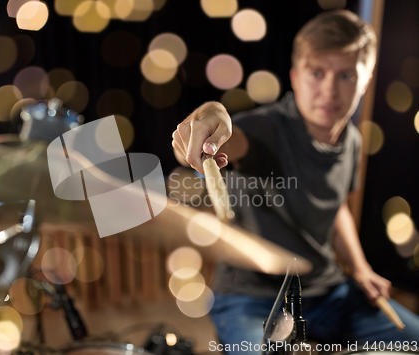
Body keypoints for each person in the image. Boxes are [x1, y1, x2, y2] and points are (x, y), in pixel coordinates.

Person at [171, 10, 419, 353]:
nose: (329, 90)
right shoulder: (264, 129)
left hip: (326, 290)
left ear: (366, 80)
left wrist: (361, 269)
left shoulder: (353, 142)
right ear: (295, 76)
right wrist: (208, 118)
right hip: (251, 297)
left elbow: (338, 209)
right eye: (316, 72)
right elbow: (227, 136)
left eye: (346, 75)